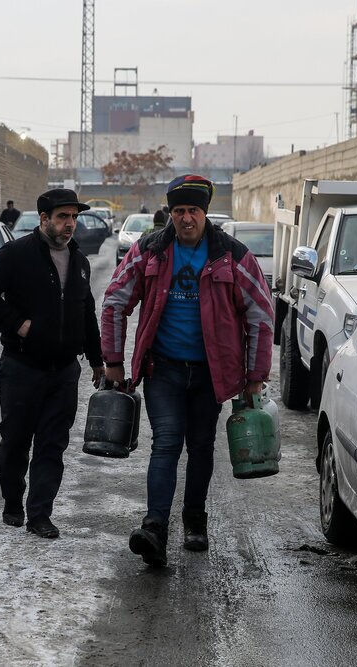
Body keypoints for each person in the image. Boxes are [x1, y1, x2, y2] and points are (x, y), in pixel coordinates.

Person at [101, 174, 274, 566]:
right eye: (178, 211)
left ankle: (195, 521)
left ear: (204, 212)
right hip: (164, 369)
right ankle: (155, 528)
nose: (186, 219)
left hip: (211, 374)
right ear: (171, 214)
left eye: (193, 211)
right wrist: (113, 362)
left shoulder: (232, 255)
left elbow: (262, 313)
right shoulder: (150, 251)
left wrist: (254, 376)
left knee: (200, 447)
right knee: (165, 442)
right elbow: (114, 300)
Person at [0, 188, 106, 539]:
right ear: (44, 218)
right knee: (15, 441)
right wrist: (17, 322)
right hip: (22, 368)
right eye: (63, 217)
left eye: (74, 217)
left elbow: (85, 312)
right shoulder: (18, 254)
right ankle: (13, 502)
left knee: (52, 444)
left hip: (63, 372)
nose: (70, 224)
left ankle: (40, 515)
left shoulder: (79, 261)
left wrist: (96, 359)